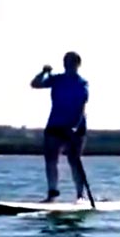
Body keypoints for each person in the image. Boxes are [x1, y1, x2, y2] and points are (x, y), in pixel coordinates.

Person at [31, 53, 89, 202]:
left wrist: (75, 127)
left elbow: (81, 106)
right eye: (66, 62)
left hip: (75, 126)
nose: (67, 65)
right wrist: (44, 73)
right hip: (55, 124)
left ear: (77, 65)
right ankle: (52, 193)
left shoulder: (81, 83)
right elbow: (35, 84)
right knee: (51, 158)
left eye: (71, 62)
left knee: (74, 160)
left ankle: (80, 195)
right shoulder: (57, 79)